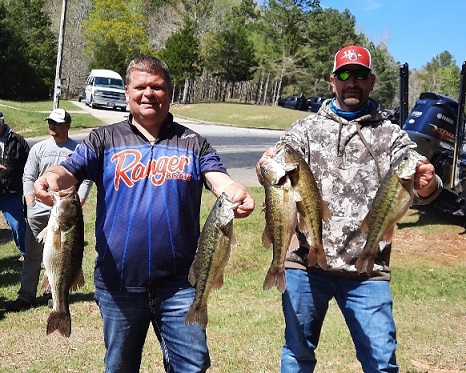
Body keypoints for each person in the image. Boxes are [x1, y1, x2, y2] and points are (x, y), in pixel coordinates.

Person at [33, 56, 255, 372]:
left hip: (180, 284)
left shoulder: (193, 142)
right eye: (141, 86)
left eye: (158, 87)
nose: (149, 93)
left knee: (191, 366)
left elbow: (217, 178)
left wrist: (236, 192)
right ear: (127, 93)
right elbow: (69, 170)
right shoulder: (104, 139)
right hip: (118, 284)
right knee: (120, 366)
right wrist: (51, 178)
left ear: (170, 92)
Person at [256, 45, 443, 372]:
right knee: (297, 357)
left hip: (366, 269)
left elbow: (424, 185)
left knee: (381, 362)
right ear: (332, 81)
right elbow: (275, 169)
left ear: (371, 81)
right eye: (344, 74)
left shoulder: (391, 136)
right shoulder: (306, 130)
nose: (351, 81)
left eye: (359, 74)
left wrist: (428, 184)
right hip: (305, 267)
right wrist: (264, 168)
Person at [6, 108, 92, 312]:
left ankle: (52, 294)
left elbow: (86, 177)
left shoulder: (77, 149)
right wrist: (31, 201)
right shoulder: (40, 148)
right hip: (39, 210)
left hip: (66, 212)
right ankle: (26, 295)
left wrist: (81, 198)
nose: (52, 126)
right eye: (50, 122)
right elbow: (28, 176)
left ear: (68, 125)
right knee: (32, 254)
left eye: (57, 123)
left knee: (64, 255)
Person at [0, 112, 29, 261]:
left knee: (18, 225)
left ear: (2, 121)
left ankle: (25, 253)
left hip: (11, 191)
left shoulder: (18, 141)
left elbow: (29, 167)